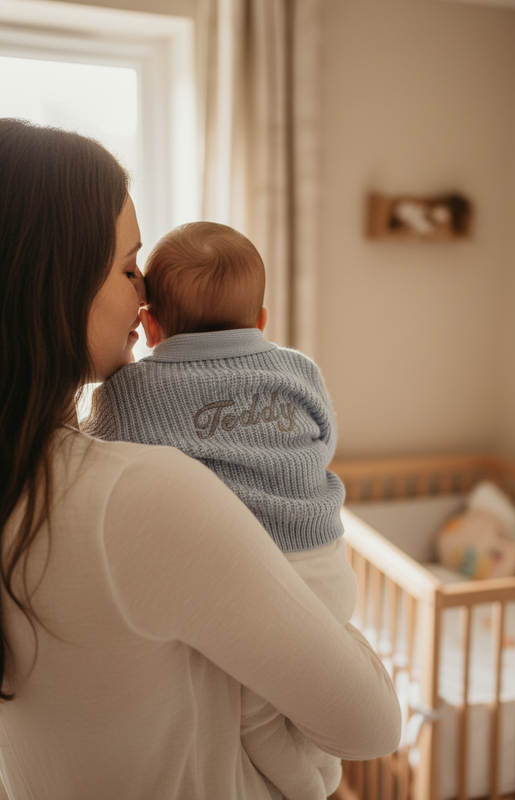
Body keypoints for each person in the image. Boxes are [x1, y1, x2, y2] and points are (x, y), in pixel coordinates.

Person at [0, 118, 401, 800]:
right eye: (129, 267)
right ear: (54, 280)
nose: (144, 294)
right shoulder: (137, 495)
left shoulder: (30, 479)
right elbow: (372, 725)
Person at [84, 221, 356, 799]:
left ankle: (309, 788)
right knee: (319, 695)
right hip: (325, 567)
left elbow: (94, 459)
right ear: (261, 321)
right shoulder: (299, 370)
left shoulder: (129, 392)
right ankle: (328, 772)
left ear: (150, 322)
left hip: (246, 587)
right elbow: (322, 443)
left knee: (255, 712)